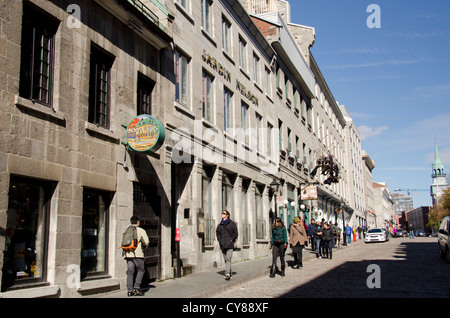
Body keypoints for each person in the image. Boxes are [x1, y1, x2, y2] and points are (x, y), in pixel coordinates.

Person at [124, 215, 149, 297]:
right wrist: (143, 248)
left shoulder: (127, 230)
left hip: (128, 254)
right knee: (141, 270)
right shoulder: (141, 230)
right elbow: (146, 242)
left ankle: (129, 290)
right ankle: (136, 288)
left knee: (130, 272)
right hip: (138, 255)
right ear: (138, 222)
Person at [216, 210, 238, 280]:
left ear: (227, 215)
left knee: (228, 258)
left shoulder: (232, 224)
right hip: (223, 244)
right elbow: (218, 233)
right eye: (222, 213)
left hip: (230, 244)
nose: (222, 214)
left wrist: (231, 239)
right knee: (226, 259)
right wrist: (220, 240)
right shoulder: (220, 225)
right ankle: (230, 272)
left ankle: (227, 273)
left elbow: (235, 233)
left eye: (224, 213)